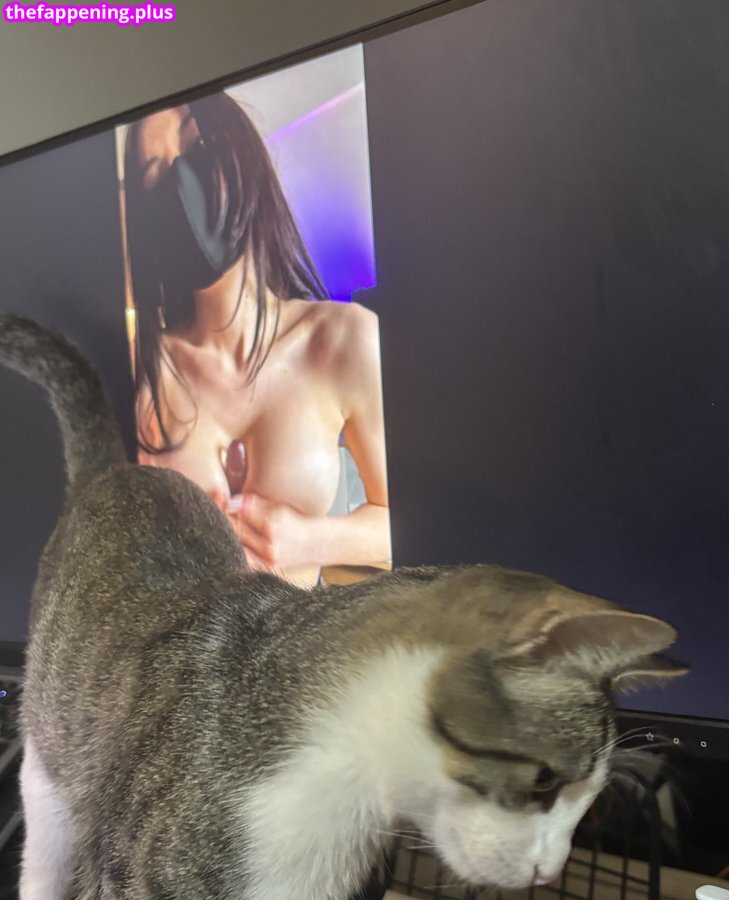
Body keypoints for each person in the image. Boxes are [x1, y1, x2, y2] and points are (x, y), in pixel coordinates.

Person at [123, 94, 391, 589]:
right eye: (154, 174)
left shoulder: (345, 340)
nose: (180, 182)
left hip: (300, 632)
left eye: (196, 146)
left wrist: (310, 540)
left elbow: (403, 522)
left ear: (242, 156)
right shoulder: (143, 370)